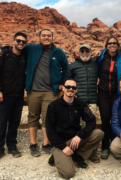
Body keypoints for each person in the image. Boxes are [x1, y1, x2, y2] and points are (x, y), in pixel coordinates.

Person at [46, 78, 104, 179]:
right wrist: (63, 146)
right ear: (63, 88)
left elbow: (92, 121)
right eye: (68, 87)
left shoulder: (81, 104)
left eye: (73, 87)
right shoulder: (53, 106)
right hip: (60, 143)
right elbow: (50, 130)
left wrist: (80, 135)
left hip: (75, 140)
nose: (70, 89)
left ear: (76, 90)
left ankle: (78, 156)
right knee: (68, 174)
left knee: (99, 133)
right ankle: (55, 156)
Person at [25, 29, 68, 157]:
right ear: (39, 37)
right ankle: (33, 144)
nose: (46, 37)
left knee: (47, 118)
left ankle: (46, 144)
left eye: (49, 36)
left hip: (51, 91)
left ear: (52, 38)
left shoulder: (58, 52)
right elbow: (16, 47)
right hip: (34, 90)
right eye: (43, 35)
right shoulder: (32, 49)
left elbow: (66, 67)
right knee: (33, 116)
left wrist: (62, 82)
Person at [96, 36, 121, 159]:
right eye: (110, 43)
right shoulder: (102, 56)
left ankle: (114, 147)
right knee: (105, 118)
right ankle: (104, 147)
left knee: (115, 119)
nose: (112, 45)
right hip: (103, 93)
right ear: (106, 45)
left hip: (116, 93)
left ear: (117, 45)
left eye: (114, 43)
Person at [0, 32, 27, 159]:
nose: (21, 43)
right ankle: (0, 147)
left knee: (15, 122)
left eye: (23, 42)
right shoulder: (4, 54)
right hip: (5, 94)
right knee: (2, 121)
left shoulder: (25, 56)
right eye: (18, 40)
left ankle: (12, 146)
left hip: (19, 95)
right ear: (14, 41)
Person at [65, 44, 98, 127]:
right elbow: (67, 81)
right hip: (79, 100)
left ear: (90, 52)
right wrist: (73, 94)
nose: (84, 53)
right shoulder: (73, 65)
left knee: (91, 123)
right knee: (79, 123)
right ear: (79, 52)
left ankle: (90, 140)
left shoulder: (96, 64)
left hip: (92, 100)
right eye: (82, 51)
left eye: (87, 51)